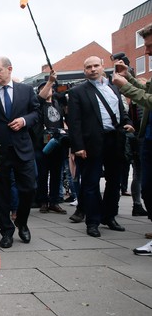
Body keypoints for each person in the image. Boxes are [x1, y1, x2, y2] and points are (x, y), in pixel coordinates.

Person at [0, 57, 40, 248]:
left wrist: (24, 120)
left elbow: (37, 113)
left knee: (29, 189)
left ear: (9, 69)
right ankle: (6, 231)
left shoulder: (26, 90)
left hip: (23, 149)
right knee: (0, 194)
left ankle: (22, 222)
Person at [67, 56, 134, 238]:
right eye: (89, 67)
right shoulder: (77, 92)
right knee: (91, 183)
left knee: (115, 181)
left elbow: (120, 111)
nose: (93, 69)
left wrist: (127, 122)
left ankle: (109, 216)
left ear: (103, 67)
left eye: (96, 65)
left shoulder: (113, 88)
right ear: (84, 70)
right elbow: (74, 122)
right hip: (91, 143)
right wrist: (78, 146)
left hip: (115, 140)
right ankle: (93, 221)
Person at [111, 23, 152, 252]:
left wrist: (126, 86)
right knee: (148, 188)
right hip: (147, 138)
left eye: (150, 46)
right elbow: (148, 94)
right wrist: (131, 79)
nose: (146, 52)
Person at [34, 71, 68, 215]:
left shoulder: (58, 105)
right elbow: (39, 100)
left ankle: (54, 201)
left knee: (56, 174)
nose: (49, 91)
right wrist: (49, 81)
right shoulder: (38, 105)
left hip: (57, 144)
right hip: (42, 145)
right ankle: (43, 201)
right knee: (42, 174)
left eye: (50, 88)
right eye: (45, 88)